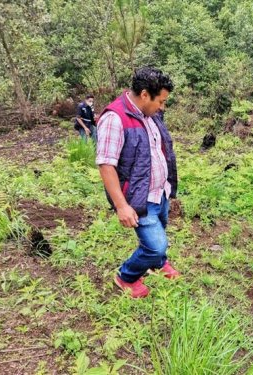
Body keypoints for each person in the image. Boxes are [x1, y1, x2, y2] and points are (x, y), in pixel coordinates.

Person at [96, 66, 179, 299]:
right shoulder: (115, 118)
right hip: (139, 198)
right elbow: (106, 164)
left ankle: (158, 264)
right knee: (155, 245)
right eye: (160, 102)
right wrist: (122, 206)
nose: (162, 107)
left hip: (159, 192)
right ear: (144, 95)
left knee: (160, 229)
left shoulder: (151, 114)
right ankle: (127, 276)